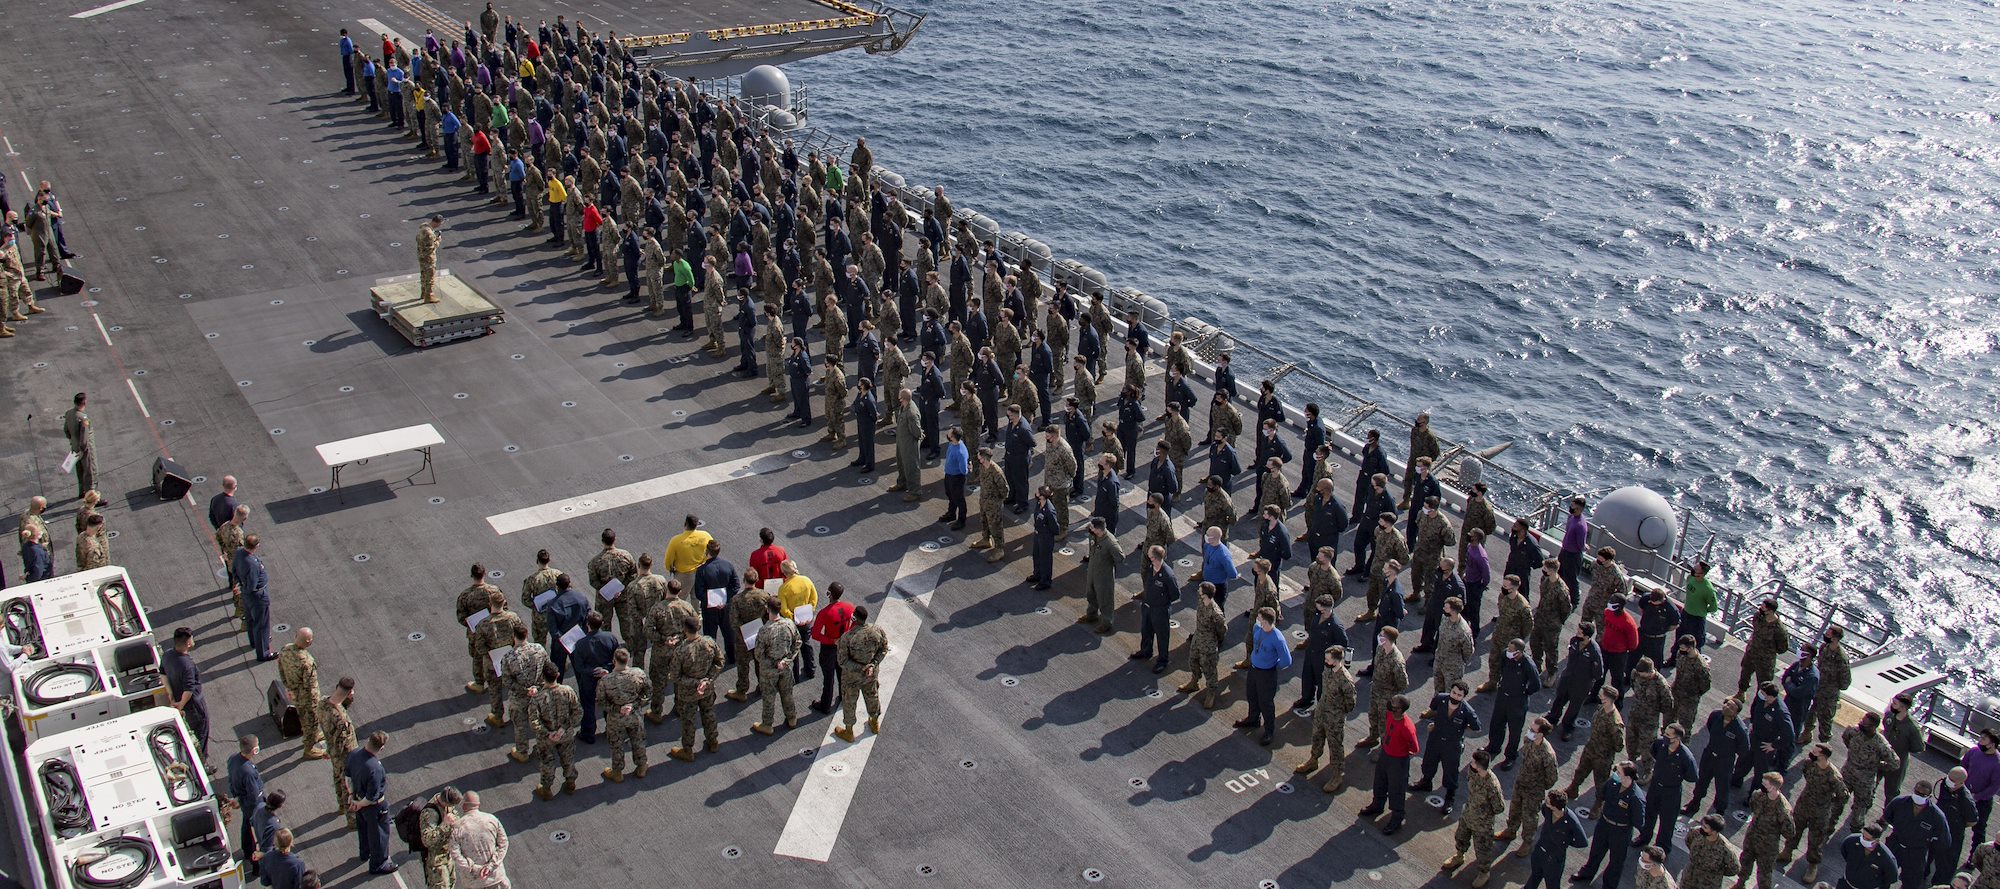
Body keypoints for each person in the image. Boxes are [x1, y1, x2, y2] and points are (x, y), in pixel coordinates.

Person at [1782, 742, 1855, 883]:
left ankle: (1812, 865)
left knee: (1816, 839)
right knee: (1795, 829)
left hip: (1820, 812)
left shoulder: (1833, 776)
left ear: (1823, 756)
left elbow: (1844, 795)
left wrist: (1828, 803)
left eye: (1815, 753)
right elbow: (1806, 775)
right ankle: (1788, 851)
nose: (1812, 754)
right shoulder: (1810, 763)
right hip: (1803, 804)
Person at [1411, 680, 1482, 815]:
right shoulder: (1441, 699)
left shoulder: (1467, 711)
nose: (1455, 696)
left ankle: (1450, 797)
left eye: (1459, 695)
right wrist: (1434, 724)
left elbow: (1476, 727)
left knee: (1450, 771)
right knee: (1428, 762)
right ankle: (1425, 782)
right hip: (1436, 739)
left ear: (1463, 697)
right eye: (1453, 692)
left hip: (1452, 744)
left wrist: (1460, 729)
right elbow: (1433, 709)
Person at [1573, 761, 1646, 889]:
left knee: (1616, 861)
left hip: (1621, 831)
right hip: (1604, 823)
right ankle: (1587, 871)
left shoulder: (1635, 797)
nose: (1615, 774)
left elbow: (1639, 821)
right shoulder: (1613, 783)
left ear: (1628, 777)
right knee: (1596, 850)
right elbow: (1602, 793)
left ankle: (1609, 885)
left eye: (1619, 772)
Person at [1358, 694, 1418, 834]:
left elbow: (1414, 748)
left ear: (1399, 709)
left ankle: (1397, 817)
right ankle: (1377, 805)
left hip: (1398, 761)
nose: (1390, 703)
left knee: (1396, 790)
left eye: (1393, 703)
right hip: (1385, 754)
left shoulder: (1407, 727)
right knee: (1379, 781)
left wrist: (1400, 752)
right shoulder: (1390, 715)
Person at [1234, 607, 1290, 746]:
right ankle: (1253, 719)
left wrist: (1271, 665)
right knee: (1252, 695)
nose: (1257, 620)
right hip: (1254, 669)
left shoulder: (1277, 638)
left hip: (1267, 674)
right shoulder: (1257, 628)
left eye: (1260, 618)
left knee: (1266, 702)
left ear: (1266, 621)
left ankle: (1269, 731)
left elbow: (1286, 661)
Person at [1882, 780, 1953, 889]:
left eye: (1923, 794)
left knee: (1911, 883)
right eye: (1917, 792)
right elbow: (1887, 816)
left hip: (1916, 853)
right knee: (1883, 875)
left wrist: (1926, 845)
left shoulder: (1936, 816)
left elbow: (1944, 841)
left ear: (1929, 796)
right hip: (1895, 845)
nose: (1918, 796)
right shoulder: (1899, 803)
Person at [1730, 772, 1796, 889]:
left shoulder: (1783, 809)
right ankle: (1740, 885)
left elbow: (1790, 832)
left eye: (1765, 784)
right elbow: (1753, 806)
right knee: (1744, 863)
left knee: (1764, 875)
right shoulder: (1758, 795)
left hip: (1767, 846)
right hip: (1752, 837)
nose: (1762, 785)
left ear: (1773, 787)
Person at [833, 605, 889, 742]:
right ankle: (874, 723)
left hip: (852, 677)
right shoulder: (877, 630)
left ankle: (849, 731)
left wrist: (860, 667)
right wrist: (872, 664)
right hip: (871, 674)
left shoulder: (847, 637)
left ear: (854, 618)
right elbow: (883, 649)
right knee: (872, 696)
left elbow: (843, 661)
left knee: (849, 702)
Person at [1485, 638, 1543, 767]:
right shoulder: (1506, 655)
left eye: (1511, 650)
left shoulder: (1527, 664)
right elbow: (1501, 668)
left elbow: (1536, 684)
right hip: (1503, 696)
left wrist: (1524, 692)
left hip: (1517, 702)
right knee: (1497, 723)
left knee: (1514, 731)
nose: (1508, 651)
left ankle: (1510, 756)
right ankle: (1493, 746)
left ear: (1519, 652)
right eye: (1508, 648)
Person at [1641, 724, 1700, 851]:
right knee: (1649, 813)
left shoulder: (1685, 756)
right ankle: (1644, 838)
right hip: (1655, 787)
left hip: (1671, 792)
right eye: (1665, 733)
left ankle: (1661, 848)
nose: (1664, 737)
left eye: (1668, 735)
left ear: (1677, 738)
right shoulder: (1660, 744)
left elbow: (1692, 776)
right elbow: (1654, 752)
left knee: (1667, 822)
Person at [345, 731, 396, 874]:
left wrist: (352, 797)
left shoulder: (354, 754)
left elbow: (347, 777)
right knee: (379, 836)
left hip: (358, 799)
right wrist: (359, 803)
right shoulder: (376, 768)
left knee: (363, 830)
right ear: (382, 748)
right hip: (373, 807)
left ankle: (364, 852)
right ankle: (378, 864)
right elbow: (371, 797)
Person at [1526, 790, 1590, 889]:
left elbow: (1582, 842)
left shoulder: (1571, 821)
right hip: (1540, 850)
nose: (1545, 802)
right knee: (1535, 875)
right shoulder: (1547, 809)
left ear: (1555, 806)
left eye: (1548, 801)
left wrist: (1565, 842)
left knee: (1552, 884)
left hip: (1554, 859)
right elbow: (1545, 814)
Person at [161, 628, 210, 759]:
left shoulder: (167, 655)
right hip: (193, 706)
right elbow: (188, 690)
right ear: (188, 643)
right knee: (200, 734)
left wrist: (170, 695)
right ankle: (203, 762)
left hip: (177, 699)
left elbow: (163, 674)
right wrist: (181, 705)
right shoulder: (187, 664)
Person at [1132, 545, 1178, 674]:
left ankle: (1162, 661)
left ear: (1154, 558)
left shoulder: (1168, 575)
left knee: (1162, 636)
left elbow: (1175, 594)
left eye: (1150, 556)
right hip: (1148, 606)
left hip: (1160, 610)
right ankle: (1146, 651)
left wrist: (1162, 602)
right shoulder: (1151, 568)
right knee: (1146, 630)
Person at [449, 792, 509, 889]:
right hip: (496, 878)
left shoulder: (457, 827)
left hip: (474, 883)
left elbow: (455, 855)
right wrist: (491, 865)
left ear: (464, 806)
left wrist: (473, 868)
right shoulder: (492, 820)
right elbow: (503, 844)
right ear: (478, 804)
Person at [226, 736, 263, 879]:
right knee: (257, 835)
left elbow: (231, 780)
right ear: (254, 750)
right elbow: (254, 795)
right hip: (252, 807)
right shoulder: (248, 771)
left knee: (246, 828)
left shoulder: (233, 759)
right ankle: (256, 865)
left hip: (243, 802)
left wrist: (237, 798)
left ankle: (247, 852)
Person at [234, 534, 274, 660]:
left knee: (251, 620)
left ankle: (254, 641)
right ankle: (264, 653)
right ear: (256, 546)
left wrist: (238, 584)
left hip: (247, 595)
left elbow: (234, 569)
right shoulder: (252, 564)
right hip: (257, 595)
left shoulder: (239, 552)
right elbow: (252, 584)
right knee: (261, 624)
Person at [1836, 824, 1902, 889]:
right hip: (1845, 884)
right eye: (1863, 836)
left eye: (1867, 839)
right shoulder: (1852, 841)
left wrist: (1875, 882)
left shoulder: (1886, 858)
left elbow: (1891, 877)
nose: (1863, 840)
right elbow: (1844, 851)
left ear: (1876, 840)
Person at [63, 392, 95, 500]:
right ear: (84, 402)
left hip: (74, 447)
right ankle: (91, 496)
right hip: (85, 449)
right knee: (90, 471)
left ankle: (81, 491)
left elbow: (66, 430)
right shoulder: (83, 418)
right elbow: (85, 437)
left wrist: (73, 441)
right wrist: (84, 449)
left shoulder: (68, 413)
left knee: (79, 469)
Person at [1029, 486, 1059, 590]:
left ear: (1042, 497)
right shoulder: (1039, 504)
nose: (1036, 494)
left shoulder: (1049, 510)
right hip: (1038, 534)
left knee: (1045, 559)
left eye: (1038, 493)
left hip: (1045, 537)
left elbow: (1055, 527)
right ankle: (1037, 574)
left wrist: (1047, 534)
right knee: (1036, 555)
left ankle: (1045, 581)